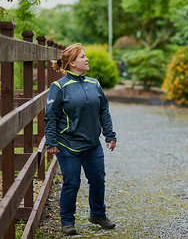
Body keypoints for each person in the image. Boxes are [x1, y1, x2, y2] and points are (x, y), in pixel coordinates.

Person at [45, 43, 117, 236]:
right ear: (72, 63)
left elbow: (104, 111)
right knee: (71, 183)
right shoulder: (59, 87)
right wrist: (51, 141)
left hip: (92, 143)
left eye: (85, 56)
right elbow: (51, 116)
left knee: (98, 180)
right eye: (82, 57)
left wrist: (110, 135)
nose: (87, 59)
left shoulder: (94, 84)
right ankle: (67, 221)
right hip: (67, 144)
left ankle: (98, 215)